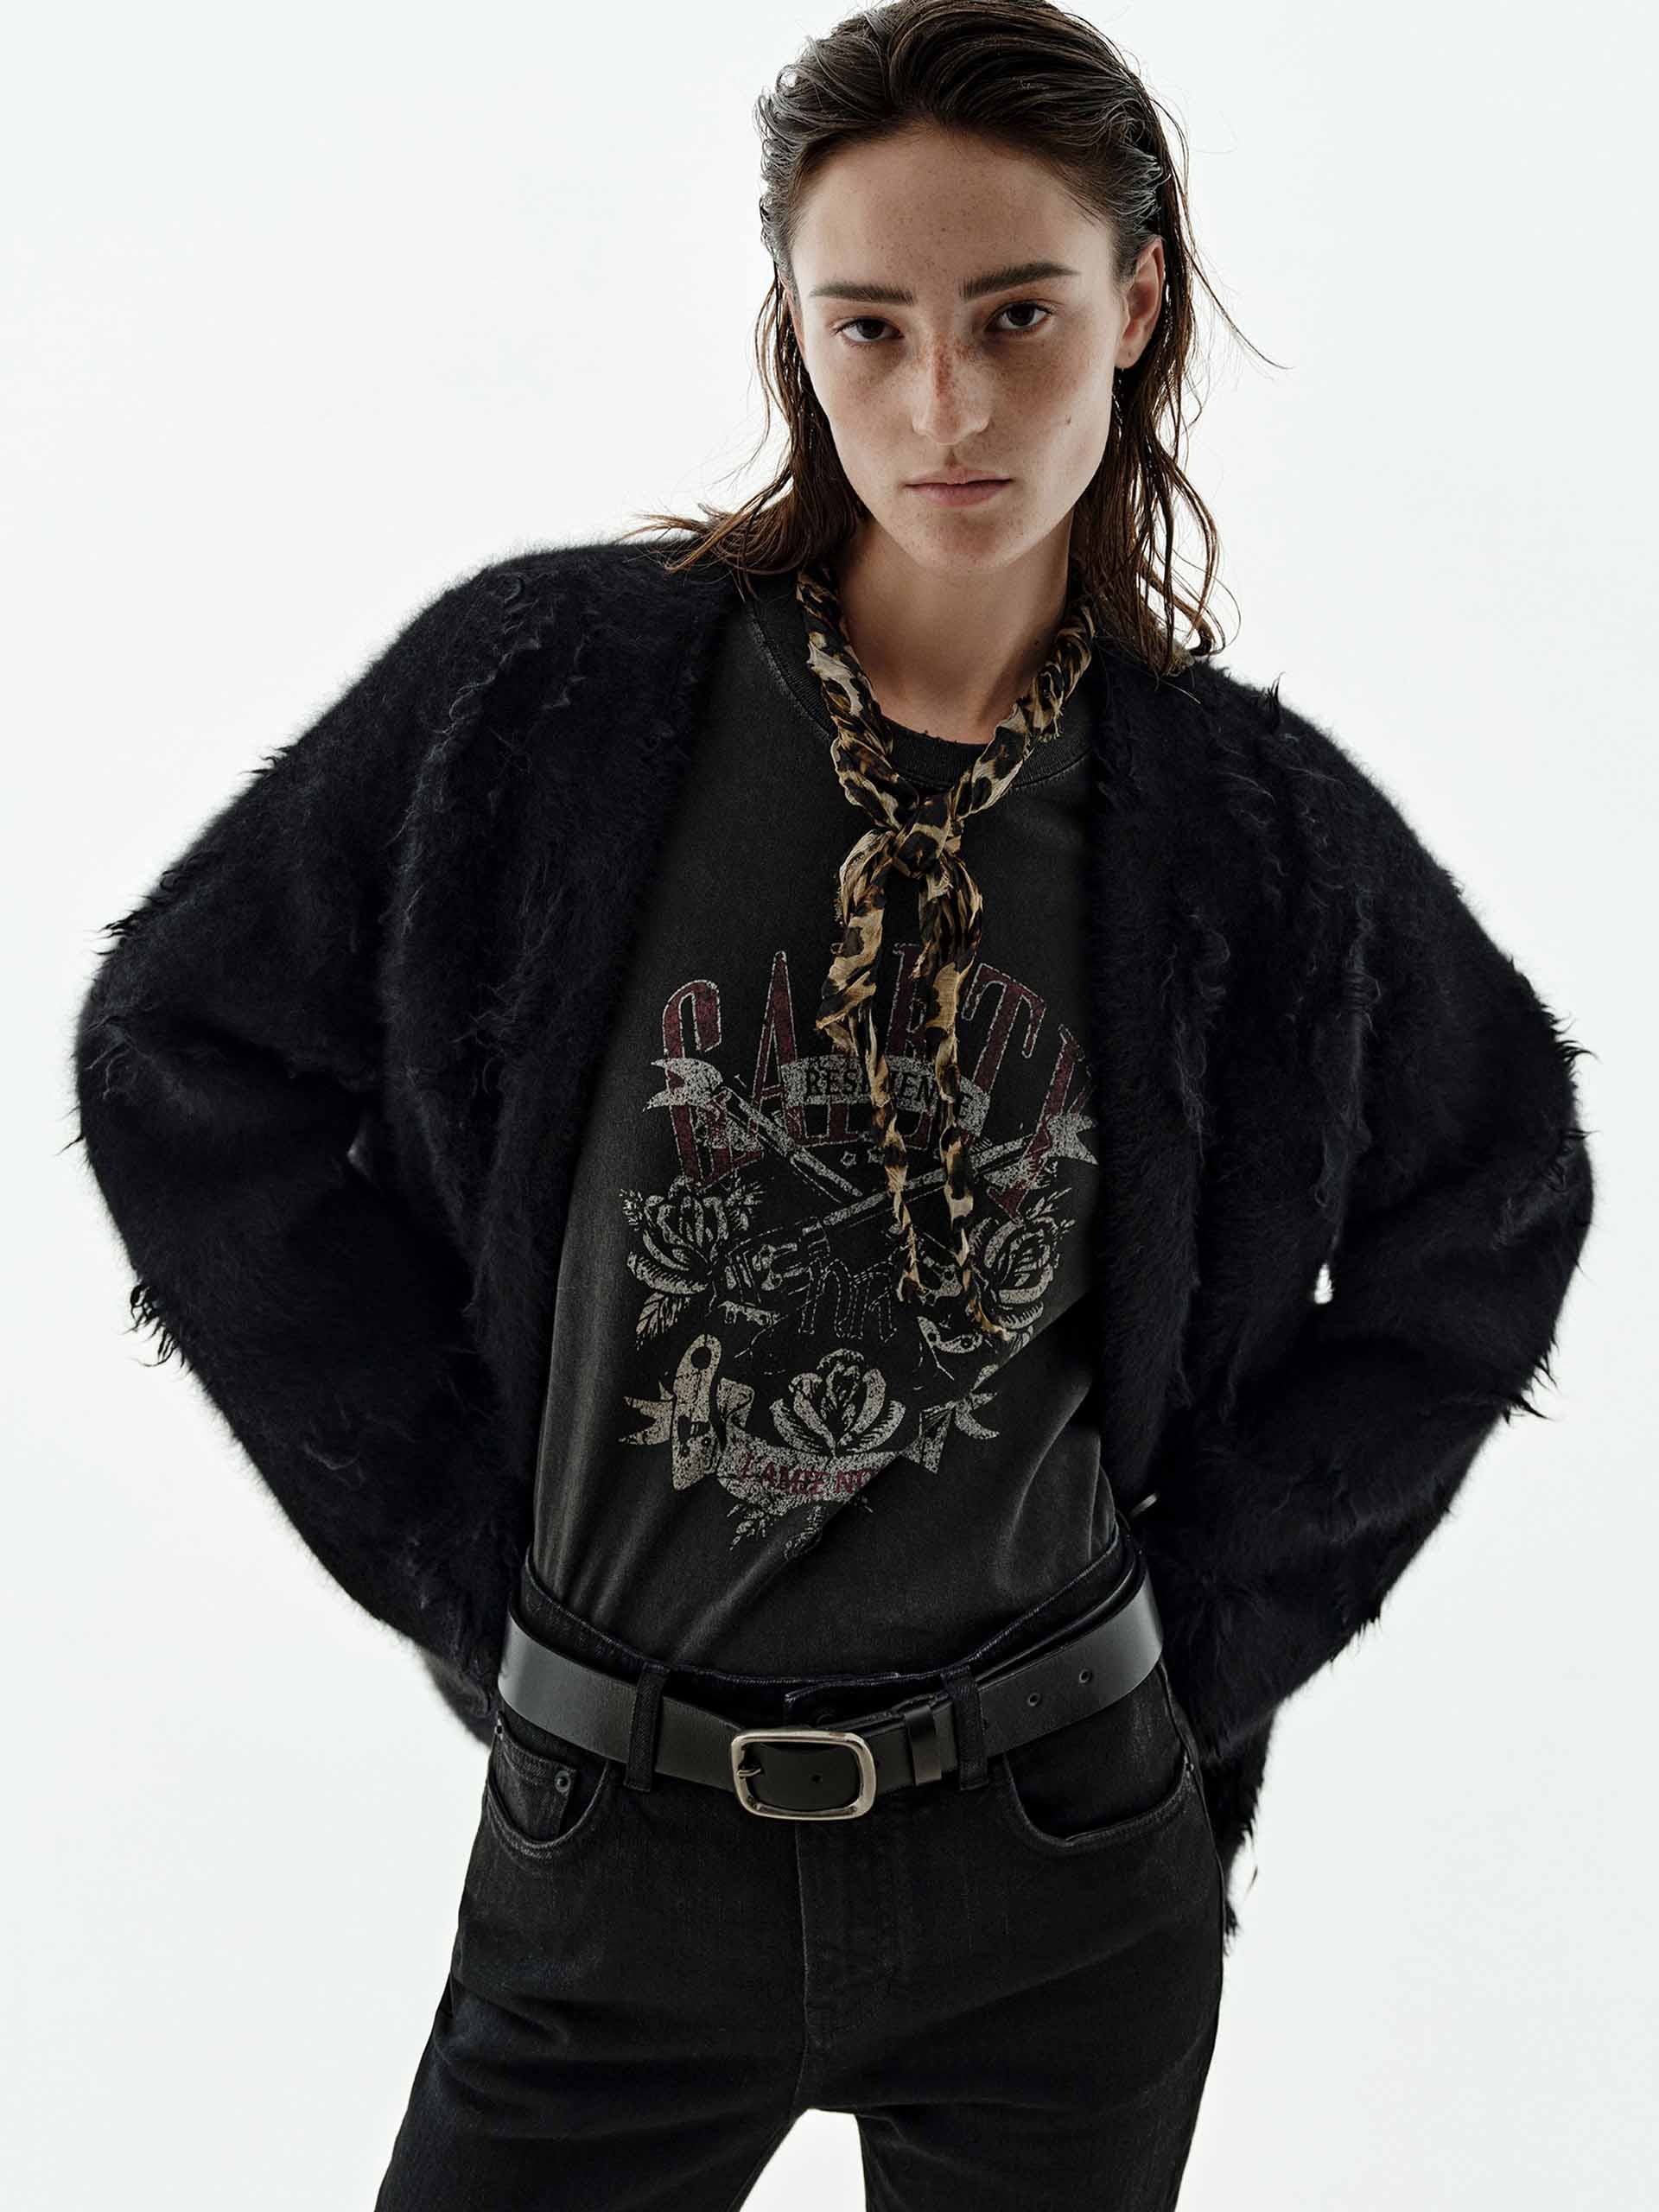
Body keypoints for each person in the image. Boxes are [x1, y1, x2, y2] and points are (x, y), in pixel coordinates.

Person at [71, 4, 1595, 2206]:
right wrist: (447, 1538)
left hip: (1060, 1863)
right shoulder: (550, 698)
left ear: (1137, 302)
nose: (943, 404)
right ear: (794, 322)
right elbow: (184, 1048)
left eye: (1015, 315)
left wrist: (1205, 1643)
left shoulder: (1248, 833)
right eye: (869, 324)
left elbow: (1498, 1186)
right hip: (610, 1850)